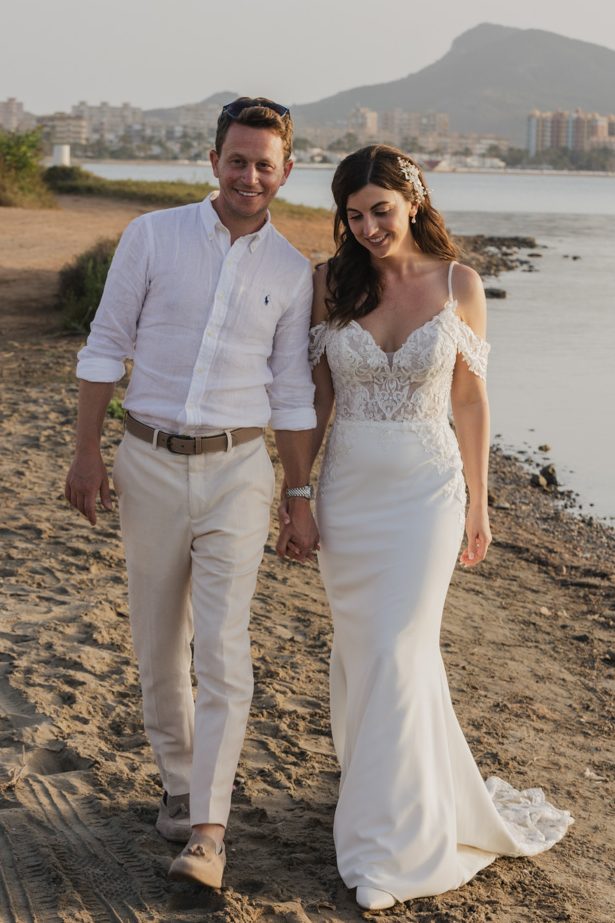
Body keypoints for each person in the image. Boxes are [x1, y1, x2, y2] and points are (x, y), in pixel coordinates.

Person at [277, 144, 573, 911]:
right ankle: (384, 802)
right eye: (354, 213)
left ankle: (396, 842)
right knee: (366, 653)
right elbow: (312, 400)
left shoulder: (458, 284)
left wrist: (480, 499)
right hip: (349, 491)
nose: (369, 225)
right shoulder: (327, 283)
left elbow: (470, 400)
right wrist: (298, 493)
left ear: (412, 202)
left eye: (381, 208)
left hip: (426, 494)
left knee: (398, 649)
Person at [65, 97, 319, 889]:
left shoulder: (292, 271)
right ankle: (180, 784)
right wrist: (85, 452)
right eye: (236, 159)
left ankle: (207, 830)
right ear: (213, 161)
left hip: (240, 470)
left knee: (223, 645)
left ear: (285, 172)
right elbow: (107, 342)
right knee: (156, 643)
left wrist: (299, 492)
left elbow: (290, 392)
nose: (249, 175)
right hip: (144, 460)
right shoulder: (151, 236)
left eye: (264, 163)